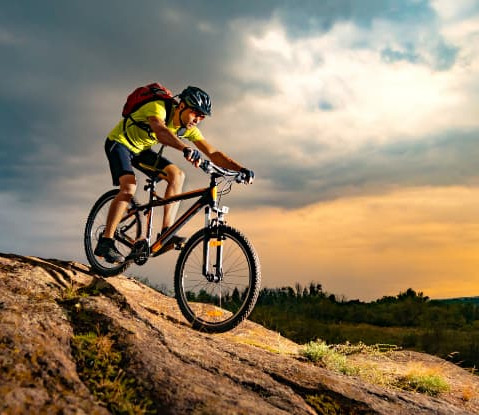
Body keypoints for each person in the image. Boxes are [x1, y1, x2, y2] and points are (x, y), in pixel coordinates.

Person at [95, 85, 255, 263]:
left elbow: (213, 153)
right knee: (129, 186)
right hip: (120, 143)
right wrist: (184, 148)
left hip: (141, 150)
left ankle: (166, 234)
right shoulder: (158, 107)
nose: (198, 119)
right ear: (181, 106)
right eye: (196, 113)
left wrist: (240, 170)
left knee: (177, 175)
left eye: (202, 116)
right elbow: (160, 131)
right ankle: (106, 241)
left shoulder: (188, 129)